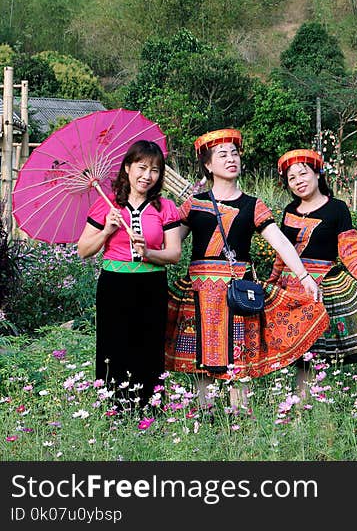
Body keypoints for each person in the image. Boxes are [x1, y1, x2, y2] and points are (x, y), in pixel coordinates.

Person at [164, 129, 328, 411]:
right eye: (222, 155)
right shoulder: (193, 204)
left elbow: (281, 243)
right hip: (199, 292)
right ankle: (207, 417)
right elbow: (171, 245)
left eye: (235, 153)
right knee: (202, 358)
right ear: (207, 164)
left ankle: (240, 419)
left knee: (239, 358)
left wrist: (304, 276)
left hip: (237, 292)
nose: (231, 159)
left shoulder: (253, 205)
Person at [77, 140, 182, 408]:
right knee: (114, 346)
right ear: (127, 168)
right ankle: (115, 410)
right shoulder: (107, 205)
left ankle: (151, 408)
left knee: (149, 346)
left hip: (151, 284)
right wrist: (106, 231)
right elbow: (83, 250)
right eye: (142, 167)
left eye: (155, 170)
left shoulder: (165, 207)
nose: (147, 176)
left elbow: (174, 254)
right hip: (115, 285)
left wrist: (148, 252)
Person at [267, 149, 357, 368]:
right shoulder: (289, 210)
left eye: (303, 174)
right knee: (294, 353)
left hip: (320, 288)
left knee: (313, 354)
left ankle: (311, 398)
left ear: (317, 174)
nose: (298, 182)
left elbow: (350, 252)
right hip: (290, 288)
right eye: (291, 178)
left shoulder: (337, 209)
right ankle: (297, 399)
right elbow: (282, 254)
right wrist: (272, 281)